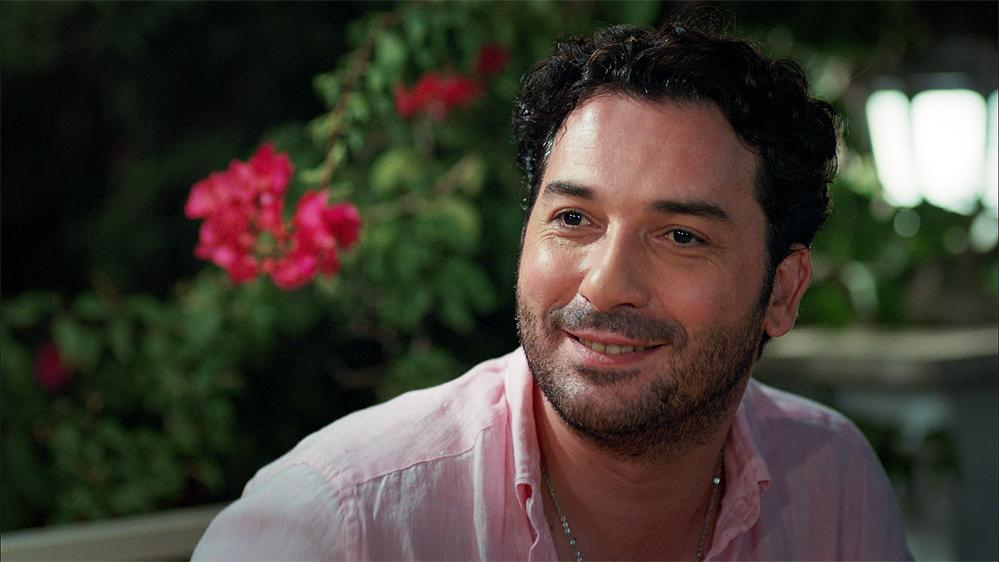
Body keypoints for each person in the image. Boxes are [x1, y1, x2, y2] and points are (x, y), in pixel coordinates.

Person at [193, 21, 911, 561]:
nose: (606, 284)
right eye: (573, 219)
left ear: (782, 293)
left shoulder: (832, 483)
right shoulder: (338, 524)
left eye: (680, 236)